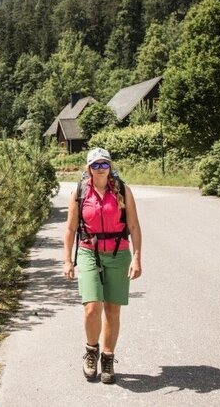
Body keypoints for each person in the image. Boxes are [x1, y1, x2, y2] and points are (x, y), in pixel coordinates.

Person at [63, 147, 142, 383]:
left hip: (118, 254)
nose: (100, 169)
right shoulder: (79, 192)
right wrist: (68, 260)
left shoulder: (122, 190)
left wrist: (137, 257)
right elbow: (70, 228)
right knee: (91, 308)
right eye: (95, 165)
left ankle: (107, 358)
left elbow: (135, 227)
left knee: (112, 309)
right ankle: (91, 351)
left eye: (104, 164)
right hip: (89, 253)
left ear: (110, 166)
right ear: (88, 168)